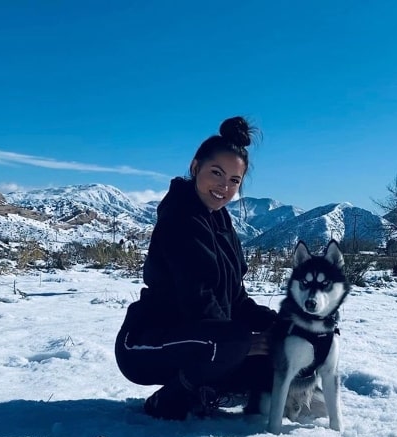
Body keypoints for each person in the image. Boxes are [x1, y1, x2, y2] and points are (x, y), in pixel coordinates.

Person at [115, 117, 276, 420]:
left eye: (233, 180)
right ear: (194, 167)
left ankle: (211, 387)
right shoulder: (181, 218)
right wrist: (239, 345)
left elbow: (236, 299)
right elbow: (197, 300)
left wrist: (278, 325)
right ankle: (170, 400)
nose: (223, 186)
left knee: (266, 349)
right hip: (143, 344)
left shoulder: (219, 218)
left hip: (199, 338)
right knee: (239, 342)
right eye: (216, 173)